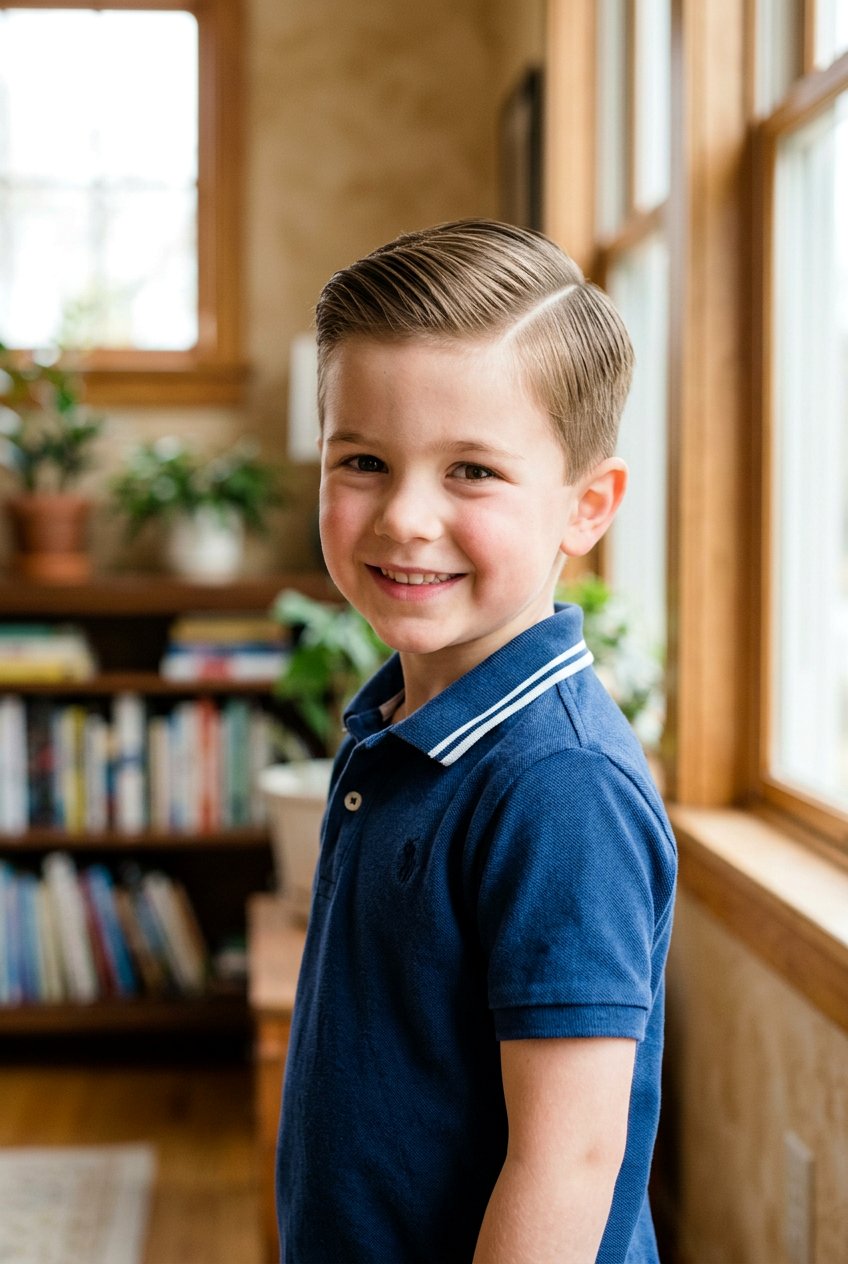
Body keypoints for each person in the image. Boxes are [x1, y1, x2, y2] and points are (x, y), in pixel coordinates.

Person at [276, 219, 677, 1264]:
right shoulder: (400, 727)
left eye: (470, 472)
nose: (404, 517)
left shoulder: (558, 786)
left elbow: (566, 1162)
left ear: (585, 506)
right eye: (361, 459)